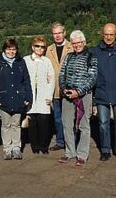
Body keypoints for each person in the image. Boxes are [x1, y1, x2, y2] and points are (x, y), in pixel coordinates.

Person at [92, 23, 116, 163]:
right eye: (106, 34)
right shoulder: (95, 51)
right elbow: (92, 72)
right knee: (103, 123)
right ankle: (105, 150)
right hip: (101, 91)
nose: (108, 37)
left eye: (111, 34)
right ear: (102, 34)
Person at [0, 38, 32, 160]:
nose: (11, 52)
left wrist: (27, 96)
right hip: (4, 99)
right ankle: (7, 149)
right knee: (6, 125)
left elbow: (26, 80)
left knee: (16, 125)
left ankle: (16, 149)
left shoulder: (21, 62)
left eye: (13, 49)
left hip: (18, 98)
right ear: (4, 50)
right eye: (9, 49)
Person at [58, 30, 97, 166]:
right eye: (74, 43)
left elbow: (92, 78)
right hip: (67, 94)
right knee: (67, 124)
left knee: (84, 125)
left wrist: (78, 92)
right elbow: (62, 73)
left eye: (79, 43)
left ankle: (82, 154)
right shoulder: (68, 57)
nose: (76, 45)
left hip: (84, 95)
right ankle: (69, 152)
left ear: (84, 42)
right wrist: (63, 88)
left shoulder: (91, 57)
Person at [24, 36, 55, 155]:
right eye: (37, 46)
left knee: (44, 123)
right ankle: (35, 146)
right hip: (31, 96)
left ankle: (44, 146)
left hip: (43, 96)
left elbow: (51, 79)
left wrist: (49, 96)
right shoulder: (26, 60)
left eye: (42, 47)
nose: (40, 49)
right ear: (33, 47)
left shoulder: (46, 61)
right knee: (32, 123)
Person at [46, 22, 73, 151]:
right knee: (57, 118)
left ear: (64, 33)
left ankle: (72, 142)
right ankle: (60, 141)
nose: (57, 36)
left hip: (69, 89)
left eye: (59, 33)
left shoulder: (72, 47)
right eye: (55, 33)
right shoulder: (49, 49)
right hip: (55, 90)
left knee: (70, 118)